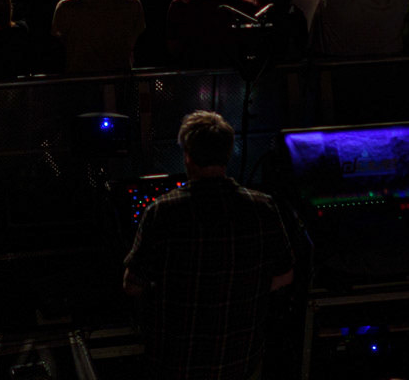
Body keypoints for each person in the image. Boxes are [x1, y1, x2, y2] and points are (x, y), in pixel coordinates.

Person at [124, 111, 294, 380]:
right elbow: (285, 275)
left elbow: (133, 285)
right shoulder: (263, 207)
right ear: (227, 154)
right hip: (241, 359)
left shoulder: (163, 211)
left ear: (188, 156)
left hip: (178, 361)